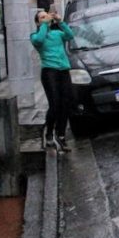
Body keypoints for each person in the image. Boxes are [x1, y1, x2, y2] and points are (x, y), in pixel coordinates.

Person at [31, 10, 75, 151]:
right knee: (54, 104)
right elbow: (39, 40)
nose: (46, 18)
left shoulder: (57, 34)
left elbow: (70, 35)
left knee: (66, 103)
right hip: (49, 72)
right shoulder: (35, 36)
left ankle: (61, 135)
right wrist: (44, 25)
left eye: (46, 16)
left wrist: (60, 21)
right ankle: (49, 133)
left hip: (63, 70)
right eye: (42, 17)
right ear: (37, 22)